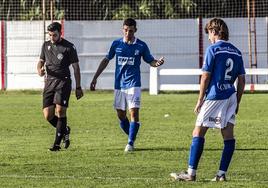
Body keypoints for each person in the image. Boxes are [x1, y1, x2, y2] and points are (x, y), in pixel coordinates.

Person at [170, 18, 245, 181]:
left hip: (215, 95)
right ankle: (221, 174)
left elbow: (205, 76)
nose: (209, 38)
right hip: (230, 96)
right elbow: (242, 80)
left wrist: (200, 99)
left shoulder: (213, 50)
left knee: (198, 132)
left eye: (209, 34)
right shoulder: (237, 52)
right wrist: (237, 101)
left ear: (215, 31)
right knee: (228, 136)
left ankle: (191, 174)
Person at [90, 18, 164, 152]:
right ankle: (132, 132)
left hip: (134, 83)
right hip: (119, 84)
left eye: (130, 30)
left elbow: (150, 61)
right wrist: (95, 77)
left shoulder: (141, 46)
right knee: (121, 115)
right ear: (122, 29)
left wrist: (156, 63)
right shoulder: (116, 44)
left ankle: (130, 142)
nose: (128, 33)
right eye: (125, 30)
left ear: (135, 30)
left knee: (134, 112)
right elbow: (106, 59)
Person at [37, 22, 83, 151]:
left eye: (55, 35)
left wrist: (78, 87)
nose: (52, 38)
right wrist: (39, 70)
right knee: (48, 115)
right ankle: (65, 129)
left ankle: (56, 144)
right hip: (49, 83)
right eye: (50, 35)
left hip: (63, 82)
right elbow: (40, 62)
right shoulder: (46, 45)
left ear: (60, 33)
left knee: (60, 111)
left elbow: (76, 67)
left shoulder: (69, 47)